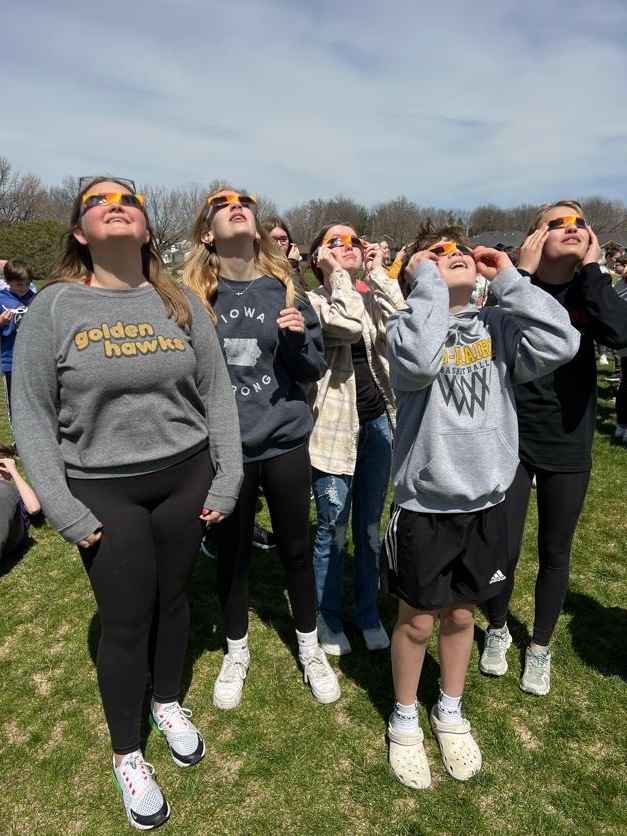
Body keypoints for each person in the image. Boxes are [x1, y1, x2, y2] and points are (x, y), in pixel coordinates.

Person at [11, 177, 243, 831]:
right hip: (102, 487)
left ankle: (166, 700)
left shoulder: (180, 302)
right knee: (124, 620)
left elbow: (217, 393)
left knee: (173, 601)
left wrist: (226, 478)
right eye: (98, 201)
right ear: (81, 233)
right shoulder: (52, 308)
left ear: (144, 228)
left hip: (184, 478)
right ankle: (127, 752)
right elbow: (29, 414)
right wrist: (61, 506)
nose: (117, 204)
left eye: (130, 201)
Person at [382, 223, 579, 789]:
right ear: (419, 271)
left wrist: (513, 280)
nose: (454, 257)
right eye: (438, 254)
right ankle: (403, 717)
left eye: (462, 251)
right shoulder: (406, 326)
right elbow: (418, 366)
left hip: (488, 498)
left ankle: (449, 708)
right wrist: (423, 288)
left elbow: (563, 342)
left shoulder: (499, 323)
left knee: (464, 613)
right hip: (426, 503)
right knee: (418, 619)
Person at [183, 188, 340, 710]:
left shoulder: (285, 286)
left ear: (254, 224)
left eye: (244, 200)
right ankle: (236, 650)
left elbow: (313, 369)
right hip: (225, 451)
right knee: (231, 557)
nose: (236, 203)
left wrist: (298, 340)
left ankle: (309, 646)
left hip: (283, 441)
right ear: (208, 232)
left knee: (296, 551)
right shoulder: (189, 295)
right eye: (221, 202)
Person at [479, 201, 627, 695]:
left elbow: (620, 332)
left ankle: (539, 646)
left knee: (555, 549)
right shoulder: (517, 283)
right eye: (556, 223)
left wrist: (591, 271)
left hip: (569, 435)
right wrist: (518, 271)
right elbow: (484, 336)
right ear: (533, 237)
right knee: (505, 543)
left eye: (579, 224)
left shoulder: (590, 288)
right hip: (514, 433)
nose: (571, 229)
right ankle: (498, 627)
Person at [306, 223, 405, 655]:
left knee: (368, 528)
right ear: (317, 258)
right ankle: (326, 618)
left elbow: (405, 325)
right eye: (336, 243)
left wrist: (379, 271)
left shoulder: (366, 294)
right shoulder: (309, 301)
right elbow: (345, 327)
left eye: (353, 241)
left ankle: (366, 613)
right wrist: (340, 275)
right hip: (333, 430)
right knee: (332, 527)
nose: (348, 247)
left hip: (377, 422)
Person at [0, 259, 36, 419]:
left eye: (27, 284)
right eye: (19, 285)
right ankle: (18, 442)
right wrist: (1, 323)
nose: (24, 289)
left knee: (37, 403)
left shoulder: (35, 298)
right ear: (7, 281)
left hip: (34, 361)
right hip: (11, 361)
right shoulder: (1, 299)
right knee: (16, 407)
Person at [0, 442, 40, 560]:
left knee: (5, 488)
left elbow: (34, 508)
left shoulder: (14, 492)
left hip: (9, 535)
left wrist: (13, 471)